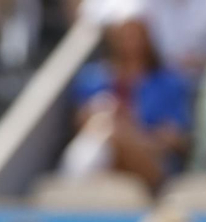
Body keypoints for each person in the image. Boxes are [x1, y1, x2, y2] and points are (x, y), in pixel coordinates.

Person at [64, 0, 192, 189]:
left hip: (153, 164)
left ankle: (73, 188)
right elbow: (82, 124)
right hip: (107, 158)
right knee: (102, 125)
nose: (130, 39)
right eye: (124, 31)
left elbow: (176, 139)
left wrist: (130, 132)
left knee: (109, 129)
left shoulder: (169, 82)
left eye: (135, 30)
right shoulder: (91, 79)